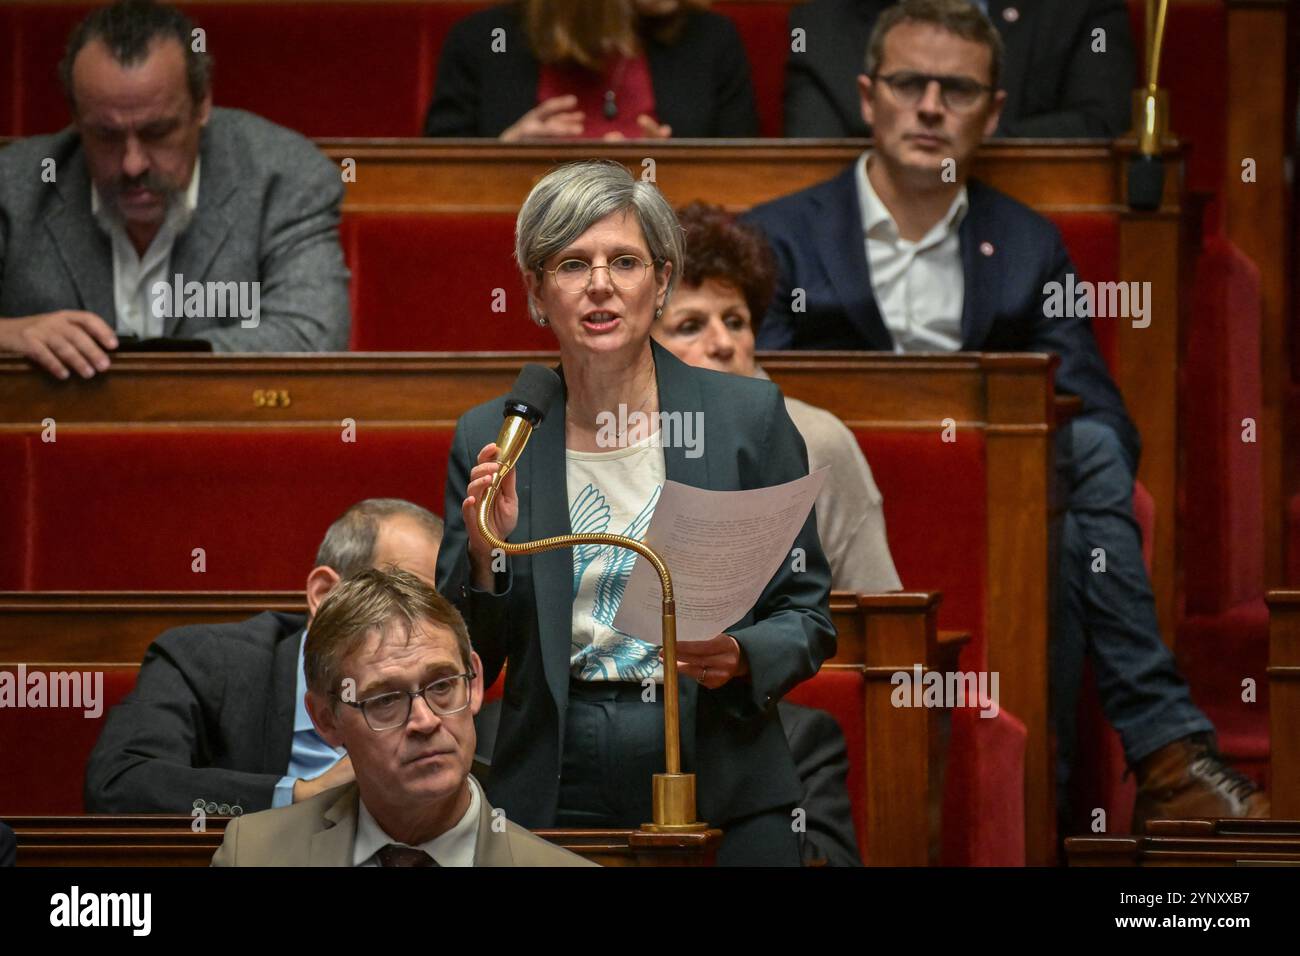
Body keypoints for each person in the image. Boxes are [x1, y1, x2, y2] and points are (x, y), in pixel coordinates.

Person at [743, 0, 1268, 831]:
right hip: (826, 508)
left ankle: (1084, 796)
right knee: (1077, 484)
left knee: (1083, 474)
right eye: (910, 84)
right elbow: (750, 409)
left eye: (956, 90)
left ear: (992, 113)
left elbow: (1103, 413)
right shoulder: (779, 236)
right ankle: (1157, 759)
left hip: (1005, 509)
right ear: (869, 96)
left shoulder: (1027, 243)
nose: (929, 107)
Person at [435, 159, 835, 866]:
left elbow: (807, 614)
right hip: (556, 764)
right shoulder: (494, 436)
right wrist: (483, 551)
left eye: (624, 261)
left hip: (719, 756)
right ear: (535, 291)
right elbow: (469, 655)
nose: (600, 285)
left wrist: (742, 655)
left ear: (661, 279)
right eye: (570, 264)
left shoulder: (746, 419)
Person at [0, 0, 350, 380]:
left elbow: (312, 336)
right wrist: (7, 334)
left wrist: (151, 374)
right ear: (76, 118)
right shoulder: (15, 186)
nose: (133, 164)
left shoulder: (283, 178)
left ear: (202, 106)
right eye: (106, 136)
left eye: (157, 133)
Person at [212, 568, 592, 866]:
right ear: (326, 720)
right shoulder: (253, 855)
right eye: (386, 699)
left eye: (442, 686)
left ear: (474, 684)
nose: (425, 721)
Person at [84, 499, 442, 815]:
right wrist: (298, 797)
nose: (422, 629)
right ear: (325, 594)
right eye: (400, 599)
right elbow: (119, 783)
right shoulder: (206, 663)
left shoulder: (449, 694)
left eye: (438, 608)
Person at [654, 200, 902, 594]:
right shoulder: (613, 432)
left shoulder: (816, 438)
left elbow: (880, 617)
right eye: (690, 326)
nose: (723, 343)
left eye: (735, 321)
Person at [784, 0, 1134, 139]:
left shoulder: (1080, 9)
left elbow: (1099, 126)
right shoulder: (824, 21)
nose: (931, 108)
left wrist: (956, 138)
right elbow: (816, 161)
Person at [424, 0, 758, 140]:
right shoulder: (482, 41)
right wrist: (504, 158)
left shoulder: (710, 38)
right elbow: (428, 184)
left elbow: (748, 182)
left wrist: (672, 171)